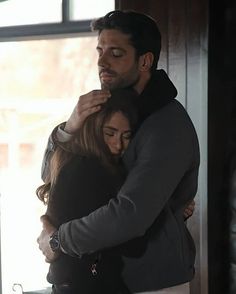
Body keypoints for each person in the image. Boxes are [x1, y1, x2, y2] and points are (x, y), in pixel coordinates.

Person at [38, 10, 200, 294]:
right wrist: (69, 129)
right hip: (100, 276)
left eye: (115, 53)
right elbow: (54, 178)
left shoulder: (167, 124)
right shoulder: (103, 109)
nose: (102, 60)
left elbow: (131, 213)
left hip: (152, 282)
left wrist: (59, 240)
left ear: (145, 61)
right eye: (100, 51)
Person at [37, 89, 138, 293]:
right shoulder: (91, 169)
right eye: (109, 133)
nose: (118, 145)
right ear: (93, 129)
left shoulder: (69, 159)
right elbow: (127, 242)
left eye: (126, 136)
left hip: (69, 282)